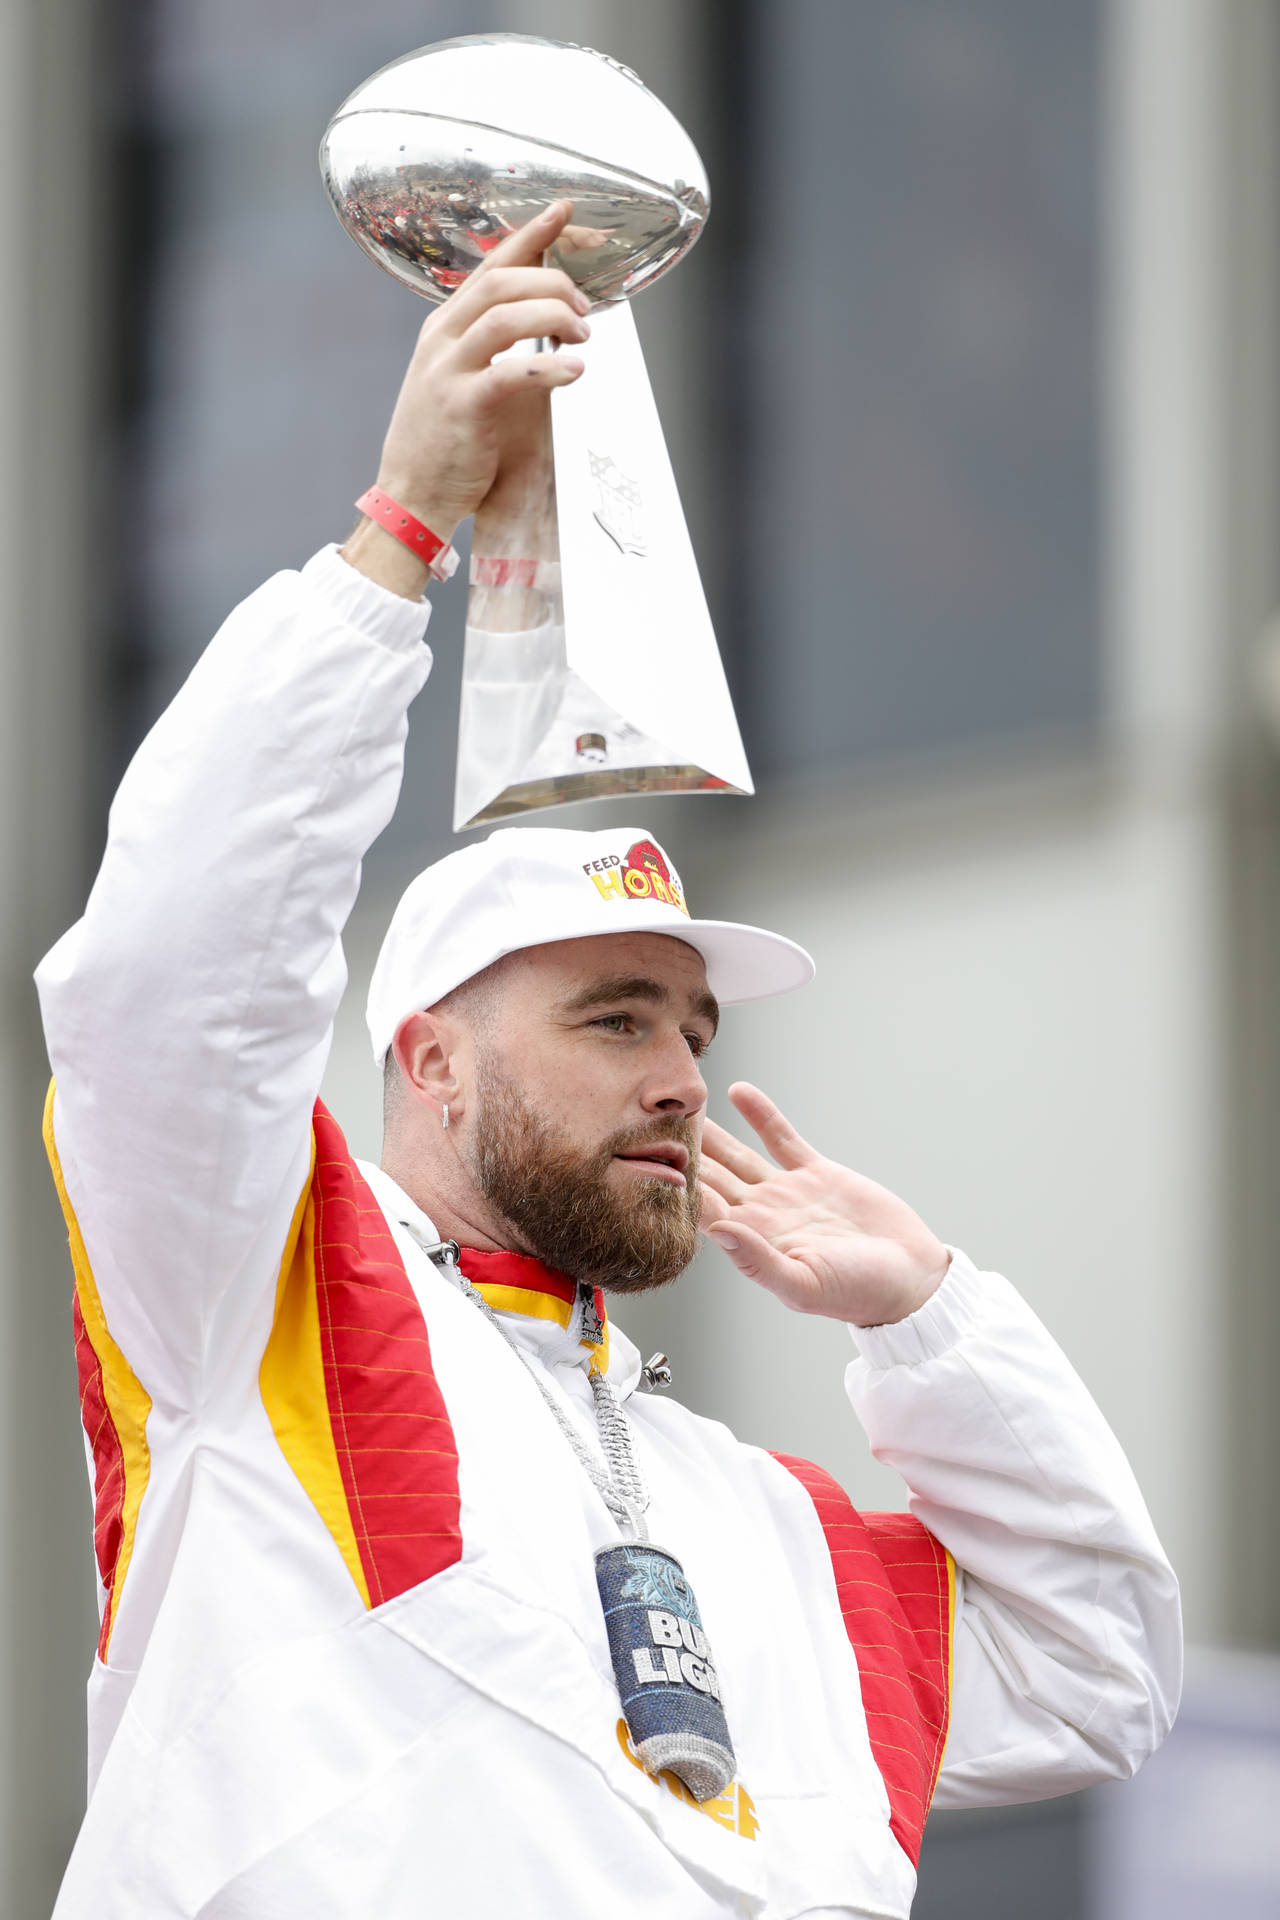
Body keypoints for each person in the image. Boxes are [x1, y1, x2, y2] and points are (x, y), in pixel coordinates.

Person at [36, 202, 1180, 1920]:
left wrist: (930, 1322)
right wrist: (396, 536)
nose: (681, 1080)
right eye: (615, 1018)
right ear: (429, 1060)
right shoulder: (257, 1311)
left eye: (695, 1031)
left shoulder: (762, 1515)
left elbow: (1098, 1671)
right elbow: (170, 976)